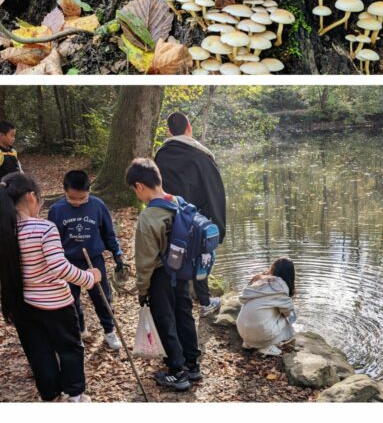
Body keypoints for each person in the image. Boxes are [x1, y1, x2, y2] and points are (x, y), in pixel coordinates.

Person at [0, 171, 96, 402]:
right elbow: (60, 268)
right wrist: (90, 277)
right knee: (70, 348)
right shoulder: (44, 229)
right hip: (57, 305)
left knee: (38, 353)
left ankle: (50, 397)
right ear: (31, 197)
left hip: (20, 306)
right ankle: (74, 397)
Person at [126, 157, 200, 392]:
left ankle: (177, 373)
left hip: (161, 276)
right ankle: (192, 365)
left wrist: (142, 290)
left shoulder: (149, 217)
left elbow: (145, 261)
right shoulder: (179, 202)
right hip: (182, 272)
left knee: (165, 320)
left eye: (134, 191)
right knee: (184, 315)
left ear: (139, 186)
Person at [154, 110, 227, 312]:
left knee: (174, 256)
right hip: (197, 218)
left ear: (169, 131)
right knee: (201, 257)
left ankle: (180, 300)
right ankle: (204, 302)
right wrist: (218, 228)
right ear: (189, 128)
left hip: (170, 217)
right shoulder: (201, 156)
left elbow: (156, 188)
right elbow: (215, 193)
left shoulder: (161, 155)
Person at [47, 170, 124, 350]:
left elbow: (109, 233)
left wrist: (117, 254)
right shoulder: (56, 210)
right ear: (64, 191)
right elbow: (51, 240)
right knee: (71, 300)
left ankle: (109, 331)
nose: (78, 202)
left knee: (102, 297)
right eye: (73, 198)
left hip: (94, 261)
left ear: (89, 191)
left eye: (83, 198)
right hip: (68, 262)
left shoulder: (97, 205)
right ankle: (80, 330)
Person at [236, 257, 297, 356]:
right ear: (290, 274)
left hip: (242, 330)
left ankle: (249, 343)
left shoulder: (259, 280)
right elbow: (287, 313)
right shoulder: (281, 287)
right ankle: (265, 346)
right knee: (291, 316)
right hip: (260, 333)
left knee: (266, 310)